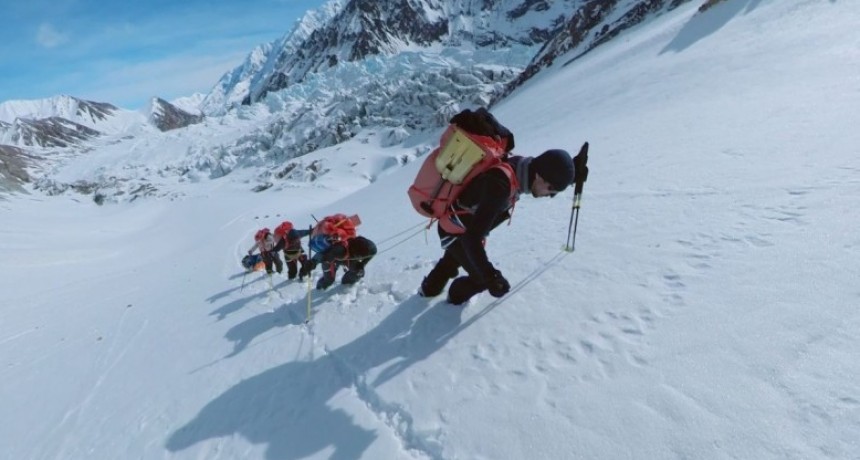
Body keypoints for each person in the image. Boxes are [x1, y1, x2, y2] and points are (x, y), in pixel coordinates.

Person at [419, 114, 588, 305]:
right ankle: (450, 304)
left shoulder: (525, 167)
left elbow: (549, 169)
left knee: (453, 258)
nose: (550, 195)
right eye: (552, 190)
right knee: (478, 277)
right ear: (540, 177)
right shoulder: (500, 187)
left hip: (463, 226)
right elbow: (471, 240)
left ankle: (428, 289)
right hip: (456, 231)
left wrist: (571, 172)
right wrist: (491, 277)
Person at [299, 214, 378, 290]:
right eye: (359, 257)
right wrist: (313, 262)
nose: (360, 258)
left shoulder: (370, 249)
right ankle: (321, 287)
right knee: (329, 280)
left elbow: (370, 254)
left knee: (358, 272)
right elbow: (324, 255)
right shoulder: (339, 249)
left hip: (345, 258)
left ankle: (346, 283)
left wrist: (362, 265)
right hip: (331, 261)